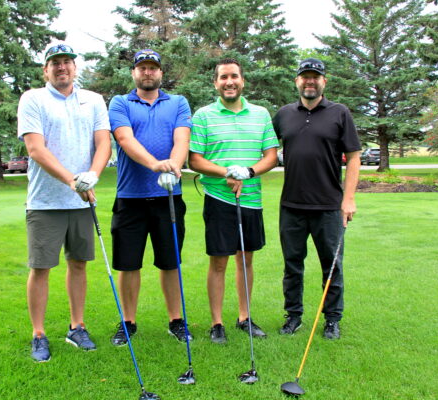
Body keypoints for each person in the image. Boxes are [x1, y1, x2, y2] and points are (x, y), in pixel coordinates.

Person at [17, 43, 111, 362]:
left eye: (67, 62)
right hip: (45, 202)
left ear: (75, 67)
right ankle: (38, 333)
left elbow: (103, 144)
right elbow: (36, 149)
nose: (62, 67)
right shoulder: (33, 99)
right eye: (55, 63)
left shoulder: (93, 100)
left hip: (82, 201)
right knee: (41, 267)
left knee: (79, 264)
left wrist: (91, 177)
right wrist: (73, 181)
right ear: (45, 70)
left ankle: (77, 327)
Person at [189, 58, 279, 344]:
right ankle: (217, 323)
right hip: (219, 199)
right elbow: (195, 160)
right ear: (216, 83)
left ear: (243, 81)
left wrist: (248, 172)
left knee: (246, 259)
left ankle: (244, 317)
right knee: (219, 262)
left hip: (250, 199)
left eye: (234, 76)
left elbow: (271, 156)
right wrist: (226, 172)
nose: (229, 82)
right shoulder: (204, 115)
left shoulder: (261, 114)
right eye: (224, 77)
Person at [107, 49, 193, 346]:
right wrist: (155, 164)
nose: (147, 72)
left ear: (160, 73)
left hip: (168, 197)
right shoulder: (120, 102)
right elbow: (124, 138)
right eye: (142, 68)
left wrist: (174, 166)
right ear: (134, 73)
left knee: (170, 262)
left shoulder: (178, 102)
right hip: (130, 197)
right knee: (128, 264)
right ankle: (128, 322)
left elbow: (182, 139)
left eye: (152, 68)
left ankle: (176, 320)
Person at [272, 58, 361, 340]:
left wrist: (348, 199)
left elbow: (354, 157)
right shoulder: (284, 115)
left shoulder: (339, 113)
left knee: (332, 266)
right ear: (297, 81)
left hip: (329, 206)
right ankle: (293, 316)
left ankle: (332, 319)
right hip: (291, 205)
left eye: (315, 77)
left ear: (324, 81)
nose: (309, 81)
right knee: (292, 265)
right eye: (305, 76)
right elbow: (266, 150)